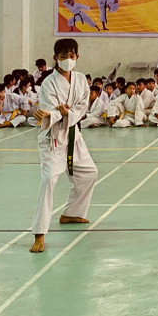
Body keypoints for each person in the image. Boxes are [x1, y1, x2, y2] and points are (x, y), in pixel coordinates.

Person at [29, 39, 96, 253]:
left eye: (71, 56)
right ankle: (39, 234)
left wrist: (68, 113)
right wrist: (53, 113)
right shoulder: (48, 83)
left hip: (73, 134)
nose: (68, 60)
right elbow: (50, 110)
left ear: (77, 56)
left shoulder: (80, 79)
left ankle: (71, 213)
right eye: (63, 56)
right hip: (54, 138)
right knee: (48, 180)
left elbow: (82, 106)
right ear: (55, 58)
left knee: (89, 173)